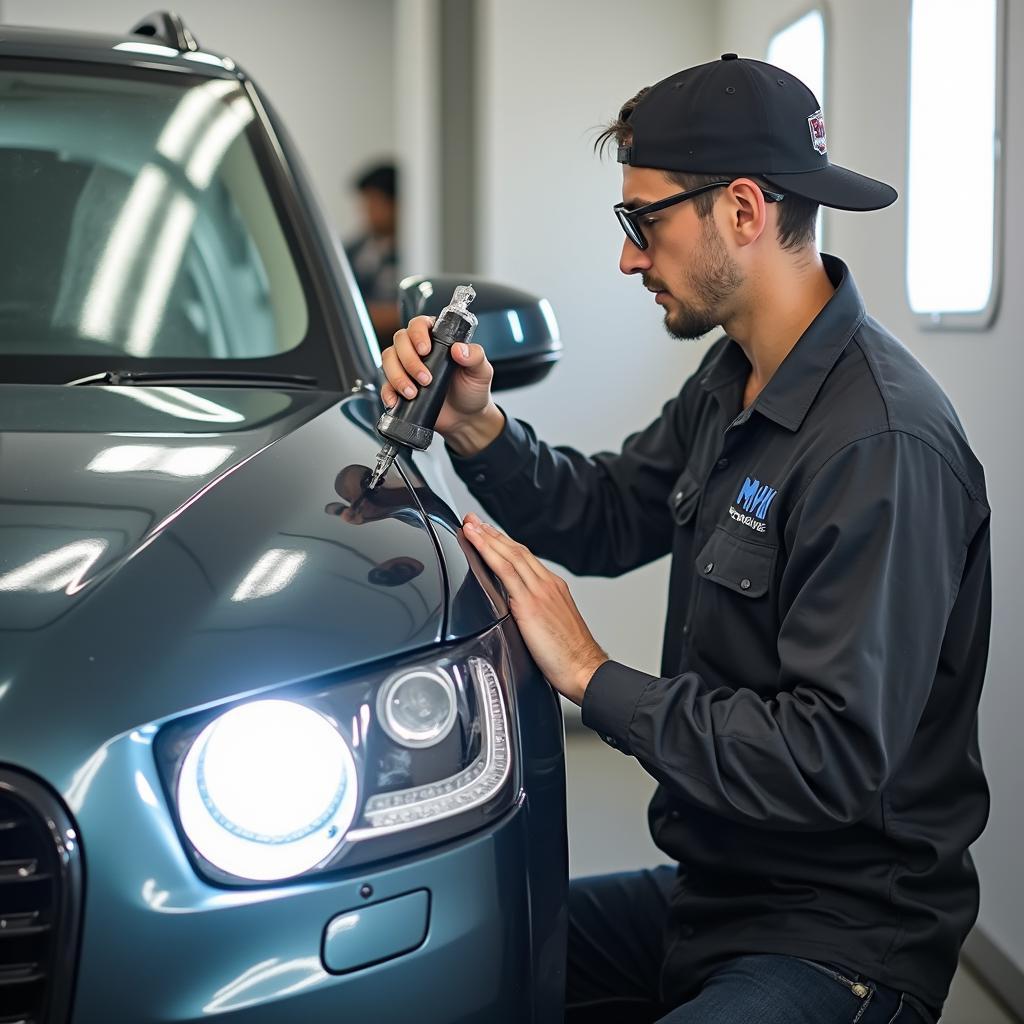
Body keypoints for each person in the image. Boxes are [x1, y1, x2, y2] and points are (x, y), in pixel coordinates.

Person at [380, 54, 991, 1024]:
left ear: (742, 211)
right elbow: (613, 508)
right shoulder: (734, 377)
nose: (628, 258)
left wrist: (591, 673)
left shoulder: (880, 442)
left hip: (840, 935)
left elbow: (824, 757)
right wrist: (475, 427)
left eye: (643, 222)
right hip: (716, 895)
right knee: (441, 966)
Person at [344, 161, 400, 348]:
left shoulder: (414, 254)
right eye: (365, 203)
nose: (368, 211)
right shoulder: (352, 250)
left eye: (375, 203)